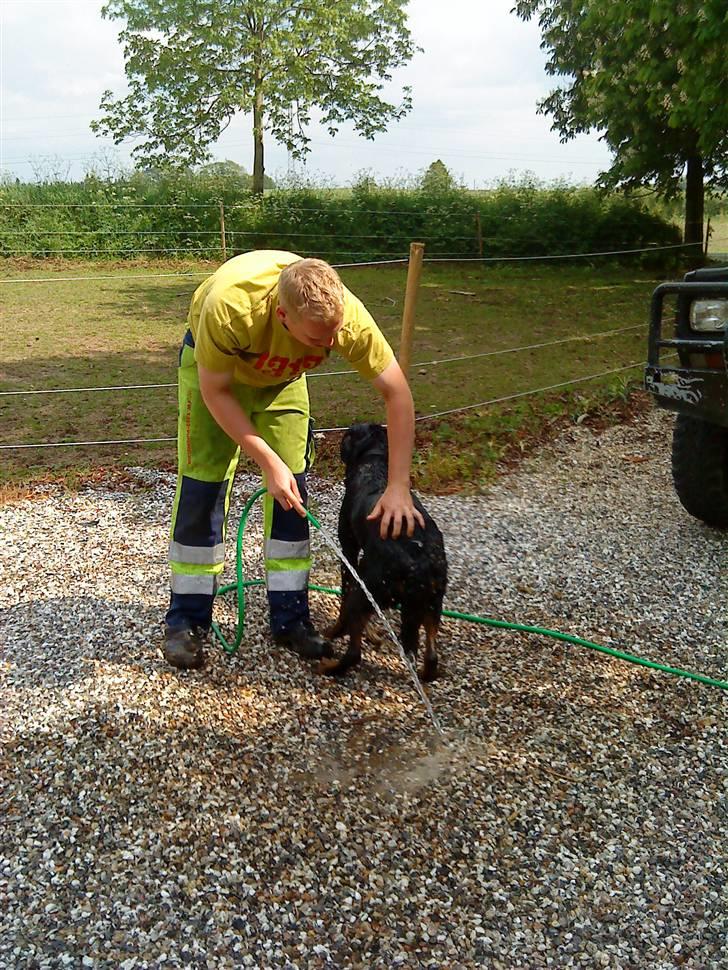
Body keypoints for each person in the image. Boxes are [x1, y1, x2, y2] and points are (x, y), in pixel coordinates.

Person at [164, 249, 425, 670]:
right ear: (283, 317)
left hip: (282, 381)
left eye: (335, 334)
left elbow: (397, 393)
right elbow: (216, 392)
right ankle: (186, 622)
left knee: (293, 494)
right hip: (216, 377)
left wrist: (398, 486)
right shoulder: (230, 308)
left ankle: (290, 619)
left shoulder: (345, 320)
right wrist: (267, 461)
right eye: (318, 341)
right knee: (202, 489)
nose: (332, 346)